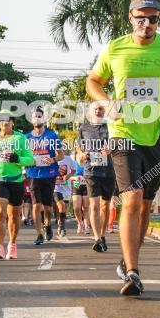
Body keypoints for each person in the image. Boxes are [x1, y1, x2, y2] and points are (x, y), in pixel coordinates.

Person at [86, 0, 160, 296]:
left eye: (153, 19)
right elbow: (92, 81)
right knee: (131, 200)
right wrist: (107, 102)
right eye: (141, 17)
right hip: (124, 134)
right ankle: (133, 272)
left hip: (157, 136)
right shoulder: (115, 48)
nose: (147, 23)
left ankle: (127, 258)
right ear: (130, 18)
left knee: (145, 206)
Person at [0, 111, 35, 260]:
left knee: (14, 216)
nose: (5, 123)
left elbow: (30, 160)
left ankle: (12, 244)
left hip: (16, 180)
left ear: (12, 122)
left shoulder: (20, 138)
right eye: (2, 121)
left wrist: (18, 158)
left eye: (8, 121)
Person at [77, 102, 116, 252]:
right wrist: (82, 155)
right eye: (96, 109)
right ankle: (97, 238)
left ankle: (103, 234)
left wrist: (111, 149)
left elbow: (119, 145)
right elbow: (79, 150)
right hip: (91, 171)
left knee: (105, 206)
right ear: (91, 111)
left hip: (109, 171)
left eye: (101, 109)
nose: (99, 111)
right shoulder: (83, 128)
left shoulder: (111, 127)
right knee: (94, 205)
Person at [24, 108, 65, 244]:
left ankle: (47, 225)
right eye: (35, 116)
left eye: (39, 116)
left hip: (49, 173)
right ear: (31, 119)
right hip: (32, 174)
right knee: (36, 206)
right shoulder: (26, 138)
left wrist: (52, 160)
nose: (37, 119)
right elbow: (22, 155)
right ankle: (39, 234)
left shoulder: (52, 136)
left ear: (43, 119)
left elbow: (61, 155)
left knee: (47, 207)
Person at [53, 161, 73, 236]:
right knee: (61, 205)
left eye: (63, 170)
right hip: (56, 189)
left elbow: (74, 172)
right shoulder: (53, 158)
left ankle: (60, 221)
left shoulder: (69, 159)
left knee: (65, 207)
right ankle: (62, 226)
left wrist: (68, 176)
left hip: (67, 189)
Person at [70, 161, 89, 235]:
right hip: (77, 184)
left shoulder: (90, 162)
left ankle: (86, 225)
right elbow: (69, 176)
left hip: (87, 185)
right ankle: (80, 223)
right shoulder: (74, 163)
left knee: (86, 207)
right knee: (76, 208)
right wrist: (75, 177)